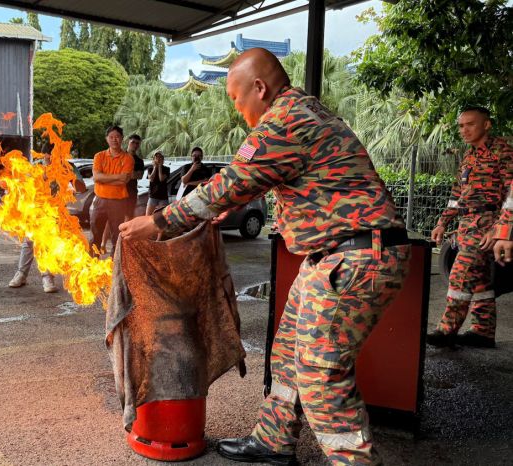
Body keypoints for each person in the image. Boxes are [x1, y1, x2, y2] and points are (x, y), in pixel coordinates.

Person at [119, 48, 410, 465]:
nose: (238, 111)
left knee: (321, 375)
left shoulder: (284, 120)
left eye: (238, 100)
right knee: (288, 352)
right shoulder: (307, 114)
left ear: (260, 87)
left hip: (353, 261)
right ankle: (274, 441)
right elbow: (271, 179)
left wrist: (160, 222)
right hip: (334, 258)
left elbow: (231, 182)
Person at [427, 106, 513, 348]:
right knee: (481, 280)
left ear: (486, 125)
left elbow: (512, 193)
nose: (464, 130)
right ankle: (482, 332)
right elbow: (457, 194)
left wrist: (500, 229)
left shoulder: (502, 150)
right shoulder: (469, 155)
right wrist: (443, 222)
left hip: (487, 224)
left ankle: (446, 330)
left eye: (470, 124)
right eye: (461, 126)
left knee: (460, 273)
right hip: (467, 224)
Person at [8, 142, 87, 292]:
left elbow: (81, 188)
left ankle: (48, 278)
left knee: (48, 244)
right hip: (35, 210)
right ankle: (21, 274)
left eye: (56, 154)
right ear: (43, 154)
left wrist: (69, 176)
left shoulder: (67, 166)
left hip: (56, 212)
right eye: (49, 154)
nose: (52, 157)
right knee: (29, 242)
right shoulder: (35, 166)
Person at [89, 126, 134, 256]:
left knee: (117, 237)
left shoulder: (128, 158)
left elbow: (123, 181)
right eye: (111, 137)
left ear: (122, 139)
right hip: (99, 201)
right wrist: (117, 177)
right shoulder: (99, 156)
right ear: (107, 139)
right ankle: (92, 267)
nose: (115, 139)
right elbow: (96, 177)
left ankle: (115, 269)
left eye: (117, 137)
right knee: (94, 236)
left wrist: (104, 179)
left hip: (118, 203)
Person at [124, 134, 145, 220]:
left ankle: (123, 234)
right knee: (113, 217)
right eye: (133, 142)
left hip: (131, 192)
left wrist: (124, 173)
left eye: (137, 143)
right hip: (117, 191)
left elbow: (138, 175)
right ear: (127, 142)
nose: (135, 145)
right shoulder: (120, 156)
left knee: (128, 216)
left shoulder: (139, 161)